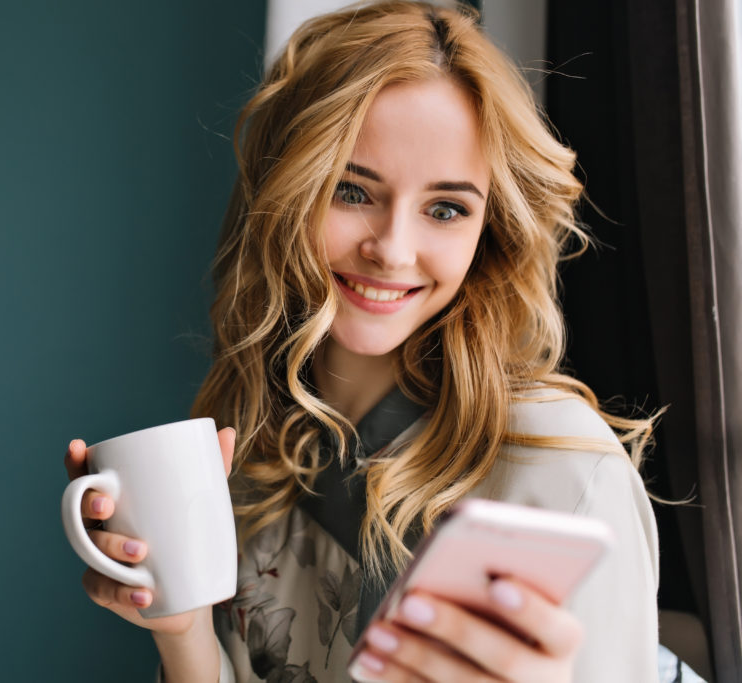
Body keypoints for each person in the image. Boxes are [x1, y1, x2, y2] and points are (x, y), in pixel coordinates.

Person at [65, 2, 664, 680]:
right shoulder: (261, 431)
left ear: (489, 228)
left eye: (446, 208)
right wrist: (180, 629)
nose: (392, 250)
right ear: (286, 191)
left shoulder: (558, 470)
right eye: (352, 192)